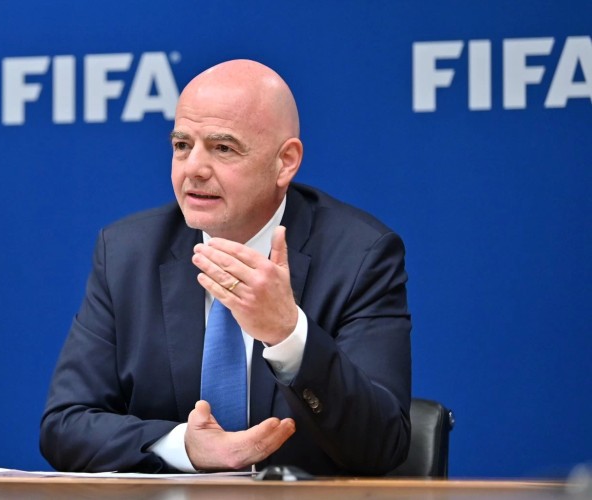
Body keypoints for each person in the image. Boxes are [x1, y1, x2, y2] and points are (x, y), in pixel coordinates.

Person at [40, 59, 411, 475]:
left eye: (223, 148)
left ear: (285, 162)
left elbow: (382, 445)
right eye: (182, 145)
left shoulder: (360, 256)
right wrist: (185, 447)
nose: (194, 169)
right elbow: (65, 425)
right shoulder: (128, 253)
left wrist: (288, 334)